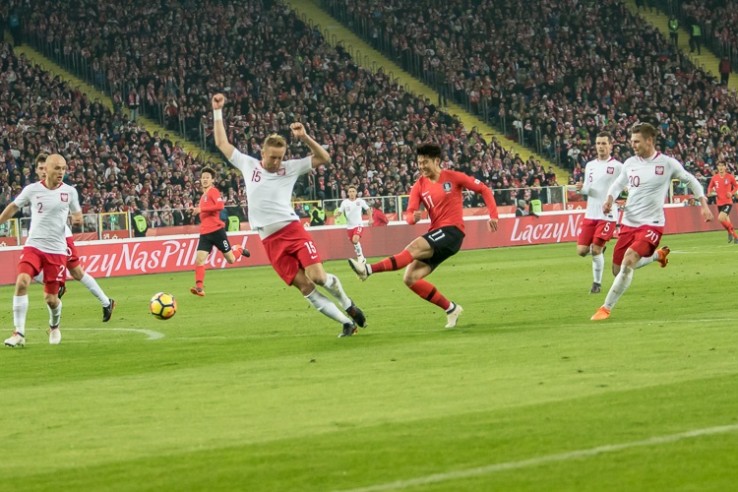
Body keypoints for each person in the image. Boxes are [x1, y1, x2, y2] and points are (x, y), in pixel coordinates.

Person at [211, 93, 366, 337]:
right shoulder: (248, 164)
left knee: (318, 277)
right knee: (304, 286)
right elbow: (222, 143)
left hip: (293, 231)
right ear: (263, 153)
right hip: (269, 240)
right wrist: (217, 111)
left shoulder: (289, 168)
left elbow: (324, 157)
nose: (276, 162)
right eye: (272, 157)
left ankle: (348, 304)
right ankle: (347, 324)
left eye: (280, 157)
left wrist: (304, 137)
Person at [348, 142, 499, 328]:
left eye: (425, 162)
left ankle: (368, 270)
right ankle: (451, 309)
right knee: (410, 278)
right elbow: (409, 214)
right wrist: (413, 218)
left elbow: (484, 189)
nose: (421, 166)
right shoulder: (418, 186)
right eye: (419, 163)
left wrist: (493, 215)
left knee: (413, 247)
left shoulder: (453, 177)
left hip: (453, 231)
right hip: (438, 234)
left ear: (436, 161)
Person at [591, 123, 713, 321]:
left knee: (629, 260)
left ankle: (605, 308)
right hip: (629, 223)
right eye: (632, 141)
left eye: (637, 141)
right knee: (617, 270)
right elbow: (618, 184)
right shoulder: (630, 163)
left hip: (652, 224)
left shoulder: (667, 164)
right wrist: (609, 199)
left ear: (649, 141)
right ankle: (658, 256)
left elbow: (691, 180)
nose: (633, 145)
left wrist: (704, 205)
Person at [0, 154, 82, 347]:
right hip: (34, 246)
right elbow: (13, 207)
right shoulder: (32, 190)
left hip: (57, 251)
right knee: (22, 282)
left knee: (51, 299)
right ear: (46, 169)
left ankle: (54, 326)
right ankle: (19, 333)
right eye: (57, 168)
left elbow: (77, 214)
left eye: (63, 168)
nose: (61, 172)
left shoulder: (70, 192)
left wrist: (78, 219)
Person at [31, 153, 116, 322]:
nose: (43, 171)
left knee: (77, 272)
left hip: (61, 239)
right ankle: (59, 287)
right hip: (42, 240)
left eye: (45, 168)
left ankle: (106, 302)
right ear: (36, 170)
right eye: (40, 168)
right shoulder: (35, 190)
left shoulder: (62, 189)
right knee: (32, 270)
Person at [189, 166, 250, 296]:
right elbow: (204, 213)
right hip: (205, 233)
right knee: (199, 260)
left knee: (231, 259)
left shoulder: (213, 191)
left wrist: (201, 210)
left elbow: (220, 206)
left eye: (207, 178)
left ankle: (238, 249)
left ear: (212, 180)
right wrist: (196, 211)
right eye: (203, 178)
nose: (205, 180)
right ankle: (199, 288)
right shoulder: (203, 196)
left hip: (217, 231)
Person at [575, 132, 624, 294]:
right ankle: (600, 250)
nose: (601, 147)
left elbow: (626, 187)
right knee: (582, 251)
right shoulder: (590, 165)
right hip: (591, 213)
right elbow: (589, 188)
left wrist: (616, 199)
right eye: (598, 143)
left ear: (611, 146)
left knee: (595, 250)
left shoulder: (618, 166)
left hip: (607, 215)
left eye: (604, 143)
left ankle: (597, 284)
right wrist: (581, 188)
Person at [334, 186, 370, 263]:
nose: (352, 193)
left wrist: (371, 218)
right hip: (349, 227)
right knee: (354, 242)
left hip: (358, 225)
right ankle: (362, 257)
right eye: (350, 192)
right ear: (348, 193)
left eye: (353, 191)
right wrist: (337, 215)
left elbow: (368, 209)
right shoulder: (345, 202)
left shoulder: (360, 201)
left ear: (356, 193)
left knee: (355, 239)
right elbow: (340, 211)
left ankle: (360, 257)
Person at [706, 161, 738, 243]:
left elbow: (736, 186)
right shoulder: (714, 178)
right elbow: (709, 187)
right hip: (719, 203)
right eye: (719, 166)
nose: (720, 167)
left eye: (722, 166)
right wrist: (709, 192)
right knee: (726, 221)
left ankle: (732, 234)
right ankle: (734, 236)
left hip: (728, 202)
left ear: (725, 167)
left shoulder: (730, 177)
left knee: (720, 218)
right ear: (717, 167)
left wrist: (731, 193)